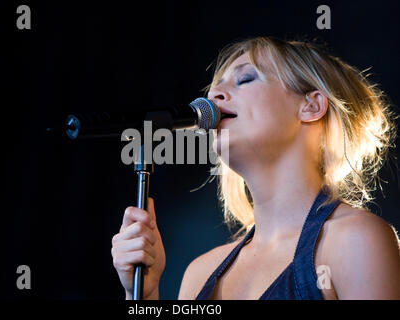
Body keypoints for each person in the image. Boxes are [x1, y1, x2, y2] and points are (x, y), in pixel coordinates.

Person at [111, 36, 400, 300]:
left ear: (311, 106)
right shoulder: (199, 273)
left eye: (245, 79)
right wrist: (143, 294)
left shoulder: (355, 240)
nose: (214, 96)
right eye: (215, 88)